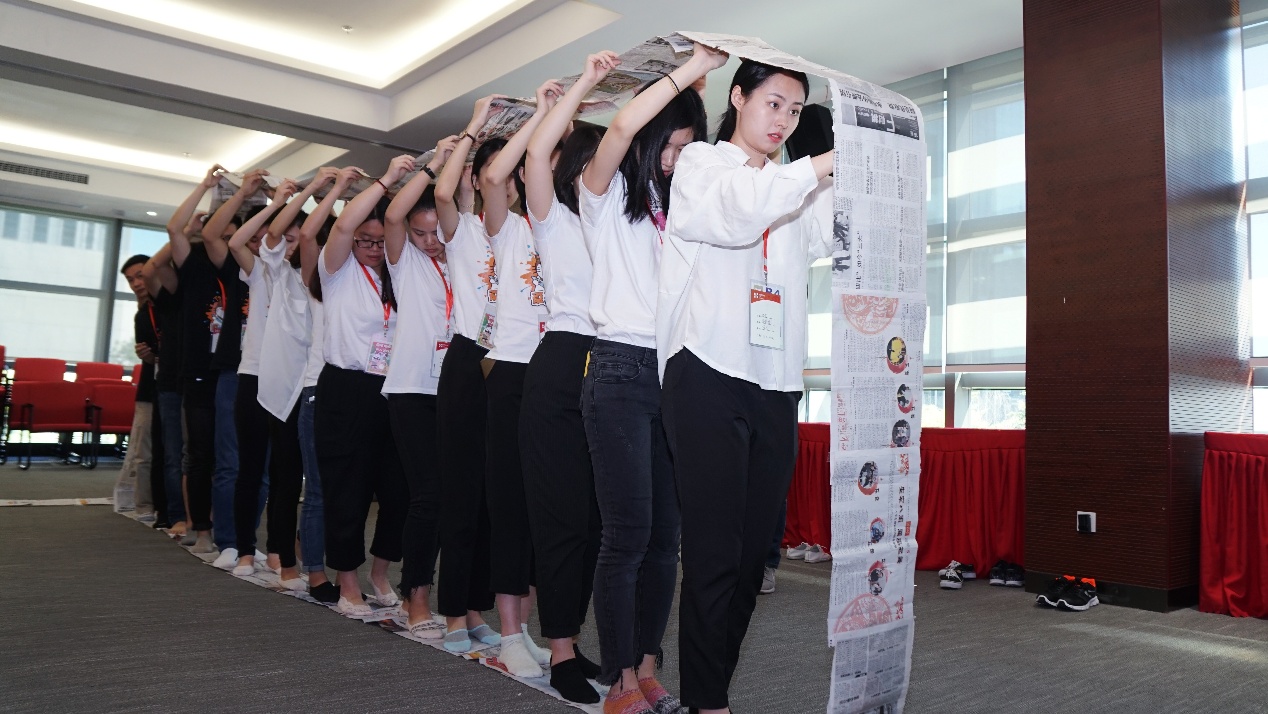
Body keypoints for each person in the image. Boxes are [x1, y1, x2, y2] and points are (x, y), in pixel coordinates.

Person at [658, 56, 835, 714]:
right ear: (738, 98)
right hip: (706, 371)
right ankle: (709, 702)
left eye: (795, 110)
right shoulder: (704, 164)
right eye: (773, 103)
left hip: (775, 383)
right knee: (713, 553)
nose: (783, 119)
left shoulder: (795, 185)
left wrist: (858, 176)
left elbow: (832, 238)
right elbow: (737, 215)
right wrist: (819, 166)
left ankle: (711, 691)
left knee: (754, 555)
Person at [578, 42, 717, 714]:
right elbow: (621, 127)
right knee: (627, 534)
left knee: (667, 541)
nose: (674, 158)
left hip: (673, 374)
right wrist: (692, 70)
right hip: (618, 370)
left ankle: (648, 665)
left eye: (688, 148)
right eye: (670, 145)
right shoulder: (603, 196)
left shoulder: (681, 211)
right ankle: (619, 680)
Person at [520, 51, 616, 704]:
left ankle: (572, 639)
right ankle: (558, 650)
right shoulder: (551, 218)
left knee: (598, 526)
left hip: (611, 367)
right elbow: (535, 156)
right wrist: (577, 91)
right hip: (560, 365)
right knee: (562, 521)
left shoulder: (618, 226)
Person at [478, 78, 567, 680]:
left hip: (559, 371)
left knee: (547, 511)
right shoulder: (507, 226)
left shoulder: (569, 223)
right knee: (510, 504)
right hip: (510, 371)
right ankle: (509, 632)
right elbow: (491, 179)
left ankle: (529, 632)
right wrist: (541, 113)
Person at [315, 158, 411, 616]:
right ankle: (347, 582)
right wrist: (386, 181)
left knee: (399, 489)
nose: (373, 248)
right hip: (347, 387)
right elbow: (340, 227)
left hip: (392, 388)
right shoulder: (337, 271)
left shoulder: (397, 274)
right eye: (365, 240)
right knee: (347, 489)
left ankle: (380, 571)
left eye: (380, 241)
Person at [432, 96, 502, 655]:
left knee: (493, 498)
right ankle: (454, 610)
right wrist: (476, 126)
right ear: (477, 180)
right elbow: (441, 194)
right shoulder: (465, 229)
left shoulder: (528, 230)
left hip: (513, 362)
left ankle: (477, 607)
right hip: (467, 359)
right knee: (459, 493)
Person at [380, 140, 456, 637]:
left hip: (452, 388)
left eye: (436, 232)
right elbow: (391, 215)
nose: (430, 241)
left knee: (449, 497)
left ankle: (436, 597)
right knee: (427, 495)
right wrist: (433, 167)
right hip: (411, 388)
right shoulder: (404, 261)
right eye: (420, 232)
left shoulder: (459, 261)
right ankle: (416, 599)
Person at [220, 178, 309, 585]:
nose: (287, 247)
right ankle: (243, 548)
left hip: (293, 383)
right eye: (282, 238)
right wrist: (277, 203)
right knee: (251, 468)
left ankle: (277, 550)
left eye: (294, 240)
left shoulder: (310, 278)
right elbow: (237, 241)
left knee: (287, 473)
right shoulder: (260, 271)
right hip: (254, 375)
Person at [163, 166, 240, 552]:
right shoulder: (193, 261)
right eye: (219, 235)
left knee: (232, 457)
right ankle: (203, 531)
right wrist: (205, 187)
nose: (223, 242)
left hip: (233, 371)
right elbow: (174, 229)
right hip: (198, 371)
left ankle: (232, 532)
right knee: (200, 453)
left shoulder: (242, 269)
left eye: (231, 237)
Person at [295, 167, 361, 604]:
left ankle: (343, 570)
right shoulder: (326, 275)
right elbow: (307, 236)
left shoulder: (380, 276)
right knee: (319, 488)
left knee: (351, 490)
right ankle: (316, 573)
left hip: (364, 391)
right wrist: (333, 189)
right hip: (319, 388)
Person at [202, 171, 271, 561]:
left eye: (266, 238)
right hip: (234, 371)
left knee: (263, 467)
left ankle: (247, 540)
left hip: (275, 375)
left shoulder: (286, 270)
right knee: (230, 461)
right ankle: (226, 540)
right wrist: (244, 193)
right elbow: (212, 235)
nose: (259, 245)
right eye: (253, 238)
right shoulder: (234, 268)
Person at [140, 242, 181, 531]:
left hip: (202, 378)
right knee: (172, 453)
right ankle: (174, 513)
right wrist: (187, 233)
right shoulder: (167, 297)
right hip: (169, 381)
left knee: (198, 455)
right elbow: (150, 269)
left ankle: (195, 515)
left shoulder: (207, 291)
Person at [114, 254, 156, 519]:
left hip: (177, 388)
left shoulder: (173, 305)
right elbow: (147, 353)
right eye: (131, 280)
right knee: (143, 452)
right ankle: (144, 505)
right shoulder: (142, 314)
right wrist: (149, 356)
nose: (136, 283)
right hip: (150, 389)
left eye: (140, 276)